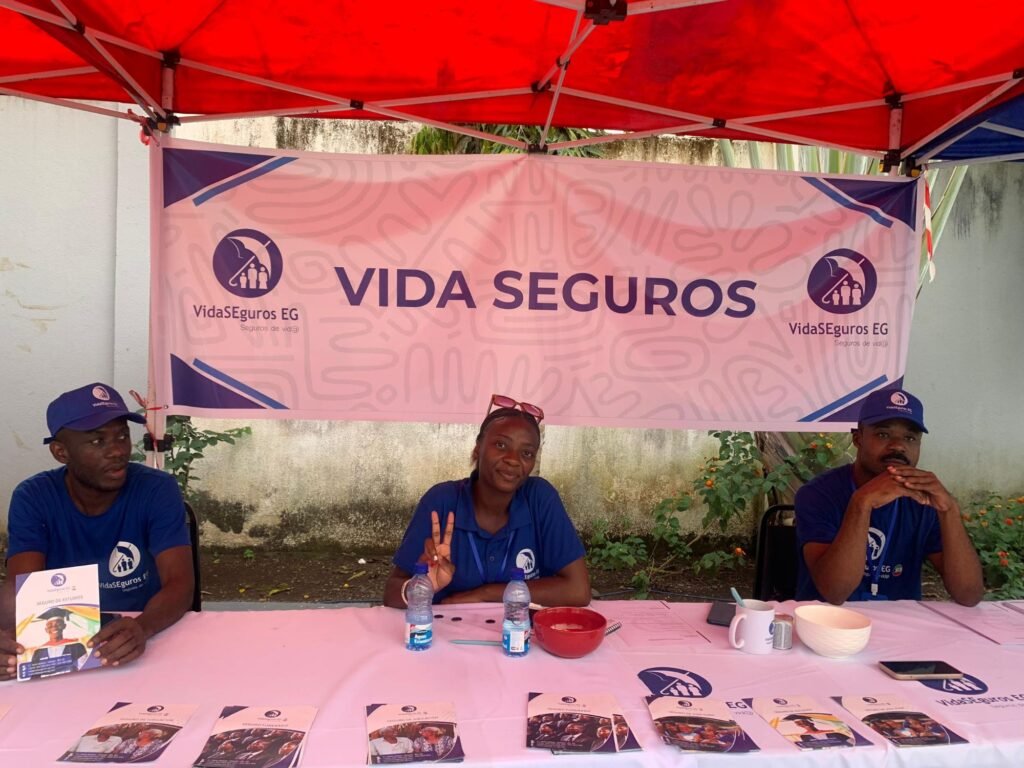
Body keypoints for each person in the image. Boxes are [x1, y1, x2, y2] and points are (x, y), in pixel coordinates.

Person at [1, 382, 195, 681]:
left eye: (122, 436)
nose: (117, 451)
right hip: (63, 644)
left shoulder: (156, 489)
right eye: (97, 441)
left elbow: (180, 583)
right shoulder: (33, 497)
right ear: (61, 452)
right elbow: (22, 590)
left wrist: (143, 627)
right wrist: (8, 639)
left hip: (139, 633)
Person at [385, 395, 589, 606]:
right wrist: (421, 586)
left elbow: (578, 590)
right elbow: (391, 594)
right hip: (446, 627)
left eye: (527, 453)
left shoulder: (539, 498)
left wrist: (485, 594)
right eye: (501, 445)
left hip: (520, 626)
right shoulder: (441, 502)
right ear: (478, 449)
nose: (513, 460)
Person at [795, 388, 983, 605]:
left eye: (910, 438)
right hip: (828, 621)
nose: (898, 446)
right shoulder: (818, 494)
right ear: (858, 438)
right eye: (883, 434)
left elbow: (969, 595)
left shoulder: (924, 499)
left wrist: (950, 509)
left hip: (901, 622)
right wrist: (861, 502)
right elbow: (836, 592)